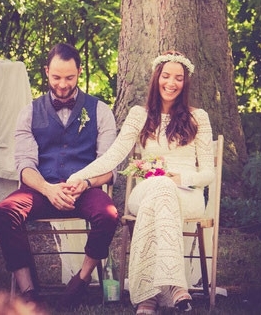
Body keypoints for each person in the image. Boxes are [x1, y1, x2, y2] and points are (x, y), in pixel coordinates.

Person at [67, 50, 215, 314]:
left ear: (185, 82)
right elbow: (113, 155)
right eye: (166, 76)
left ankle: (148, 296)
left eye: (178, 78)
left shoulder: (198, 117)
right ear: (156, 78)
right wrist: (81, 177)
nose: (171, 83)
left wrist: (180, 177)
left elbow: (207, 174)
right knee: (160, 188)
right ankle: (174, 286)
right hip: (147, 188)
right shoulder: (139, 114)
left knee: (164, 189)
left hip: (188, 194)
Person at [0, 43, 118, 308]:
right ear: (47, 71)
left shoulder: (100, 111)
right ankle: (28, 290)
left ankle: (81, 281)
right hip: (42, 187)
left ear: (79, 72)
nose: (62, 84)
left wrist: (84, 183)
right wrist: (48, 189)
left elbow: (108, 165)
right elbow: (25, 165)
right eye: (56, 77)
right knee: (4, 210)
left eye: (69, 78)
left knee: (108, 214)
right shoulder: (28, 112)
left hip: (84, 188)